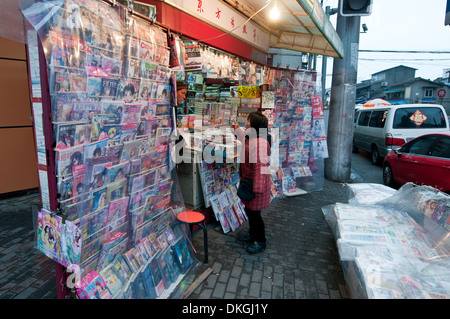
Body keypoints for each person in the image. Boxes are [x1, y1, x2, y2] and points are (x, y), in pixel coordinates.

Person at [231, 111, 271, 254]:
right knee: (250, 210)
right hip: (250, 184)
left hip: (256, 186)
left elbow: (260, 168)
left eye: (249, 121)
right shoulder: (252, 138)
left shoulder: (260, 143)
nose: (246, 123)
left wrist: (257, 189)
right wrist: (236, 129)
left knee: (255, 214)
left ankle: (260, 241)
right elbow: (243, 137)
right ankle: (253, 235)